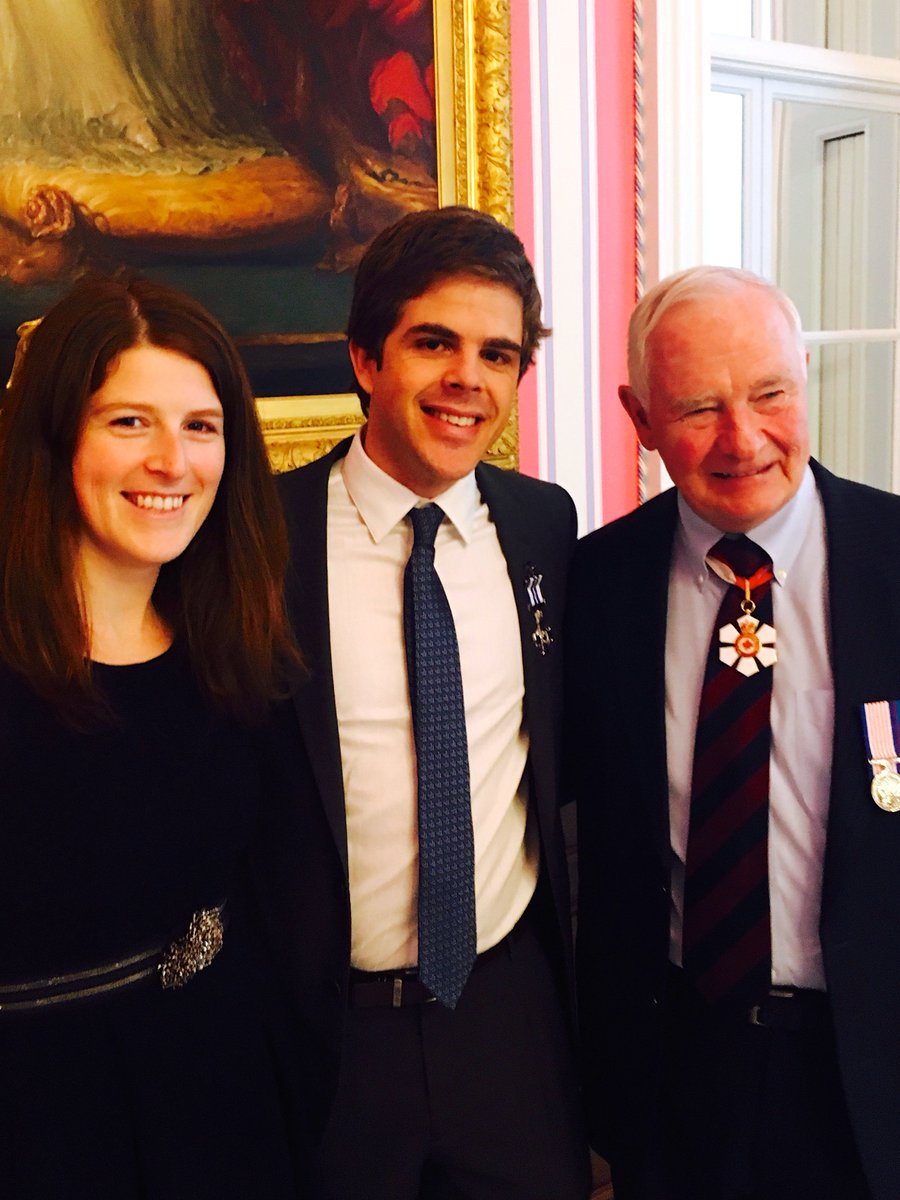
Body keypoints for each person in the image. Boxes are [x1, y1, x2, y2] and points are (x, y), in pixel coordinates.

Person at [261, 205, 590, 1199]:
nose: (467, 379)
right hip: (327, 1036)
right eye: (434, 343)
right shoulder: (261, 537)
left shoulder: (543, 523)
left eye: (498, 354)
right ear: (366, 359)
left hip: (507, 1016)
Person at [567, 264, 900, 1200]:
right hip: (674, 1073)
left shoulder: (892, 558)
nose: (742, 439)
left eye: (769, 395)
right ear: (639, 418)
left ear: (805, 380)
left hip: (870, 1073)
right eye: (699, 408)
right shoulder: (597, 585)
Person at [0, 276, 310, 1198]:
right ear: (55, 435)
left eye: (201, 426)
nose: (172, 461)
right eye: (130, 422)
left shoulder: (233, 644)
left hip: (218, 1103)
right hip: (38, 1126)